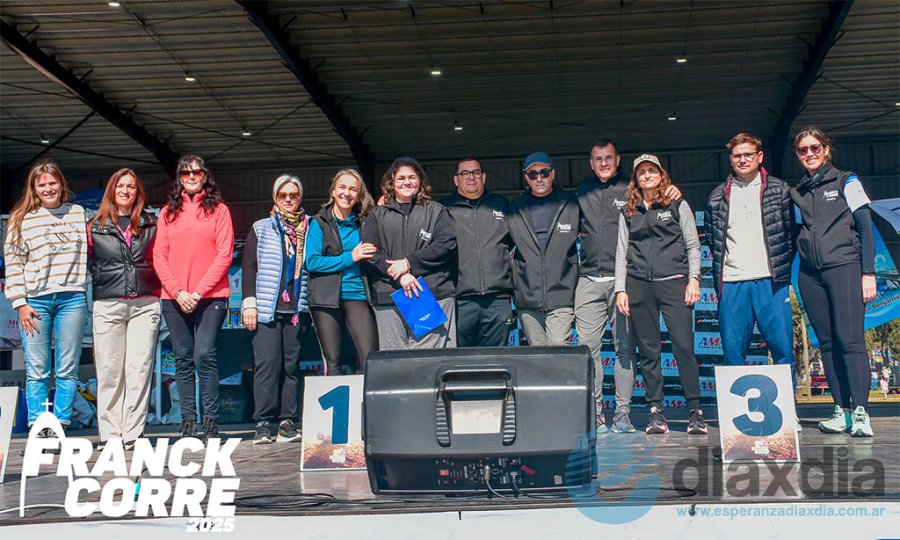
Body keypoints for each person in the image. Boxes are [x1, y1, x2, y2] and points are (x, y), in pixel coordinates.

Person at [576, 139, 681, 433]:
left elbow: (660, 196)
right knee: (588, 350)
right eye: (598, 159)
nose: (604, 163)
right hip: (588, 281)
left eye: (608, 158)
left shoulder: (632, 190)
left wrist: (673, 192)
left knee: (624, 349)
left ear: (618, 160)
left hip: (623, 281)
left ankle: (622, 410)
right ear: (591, 162)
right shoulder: (582, 191)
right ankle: (594, 411)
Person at [791, 127, 877, 437]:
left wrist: (868, 273)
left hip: (844, 268)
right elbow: (793, 235)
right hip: (809, 275)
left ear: (827, 150)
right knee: (826, 344)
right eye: (803, 149)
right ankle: (841, 410)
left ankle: (862, 413)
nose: (809, 153)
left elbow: (866, 228)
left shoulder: (847, 181)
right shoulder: (797, 191)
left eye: (815, 147)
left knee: (850, 341)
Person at [614, 154, 705, 435]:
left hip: (674, 283)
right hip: (639, 285)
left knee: (683, 347)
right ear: (636, 179)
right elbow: (621, 253)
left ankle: (695, 412)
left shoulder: (678, 203)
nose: (647, 175)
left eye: (652, 170)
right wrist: (620, 288)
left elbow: (692, 244)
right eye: (641, 172)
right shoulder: (628, 210)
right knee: (649, 352)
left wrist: (694, 279)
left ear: (661, 174)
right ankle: (656, 412)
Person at [3, 161, 88, 435]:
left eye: (53, 183)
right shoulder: (20, 219)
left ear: (61, 184)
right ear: (34, 188)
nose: (48, 188)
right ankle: (39, 424)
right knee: (37, 368)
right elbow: (13, 264)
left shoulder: (78, 214)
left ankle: (60, 422)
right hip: (35, 302)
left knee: (67, 366)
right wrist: (20, 303)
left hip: (72, 299)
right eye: (42, 185)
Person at [154, 154, 234, 441]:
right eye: (185, 173)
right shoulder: (167, 213)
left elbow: (225, 254)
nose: (190, 177)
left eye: (196, 173)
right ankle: (188, 421)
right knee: (183, 358)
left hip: (211, 296)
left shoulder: (219, 211)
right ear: (179, 177)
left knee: (204, 355)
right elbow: (159, 256)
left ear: (204, 176)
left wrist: (198, 291)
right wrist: (178, 291)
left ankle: (211, 421)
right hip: (174, 298)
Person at [705, 133, 794, 377]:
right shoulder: (716, 197)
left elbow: (791, 235)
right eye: (737, 155)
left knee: (783, 350)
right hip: (733, 282)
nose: (743, 160)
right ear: (731, 159)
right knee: (733, 353)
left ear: (759, 156)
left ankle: (789, 413)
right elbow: (713, 240)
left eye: (748, 154)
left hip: (771, 281)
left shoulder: (780, 190)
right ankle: (736, 412)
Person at [88, 168, 161, 448]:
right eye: (120, 186)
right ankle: (109, 434)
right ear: (112, 190)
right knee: (109, 370)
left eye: (131, 186)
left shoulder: (151, 223)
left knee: (139, 369)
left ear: (137, 192)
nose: (126, 191)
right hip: (108, 304)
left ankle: (133, 433)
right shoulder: (94, 225)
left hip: (145, 303)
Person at [360, 156, 458, 349]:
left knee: (428, 364)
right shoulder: (376, 215)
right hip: (389, 297)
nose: (407, 182)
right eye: (401, 178)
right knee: (396, 366)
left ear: (420, 180)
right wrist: (401, 276)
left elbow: (446, 245)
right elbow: (370, 253)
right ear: (392, 183)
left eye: (412, 177)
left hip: (429, 296)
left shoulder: (436, 211)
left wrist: (409, 263)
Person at [242, 174, 310, 445]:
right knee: (267, 365)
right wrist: (250, 303)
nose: (289, 200)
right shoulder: (261, 227)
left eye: (293, 195)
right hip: (267, 307)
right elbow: (249, 267)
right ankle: (262, 422)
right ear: (275, 198)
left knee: (291, 366)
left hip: (296, 307)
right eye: (283, 196)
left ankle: (287, 421)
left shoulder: (309, 227)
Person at [305, 169, 379, 376]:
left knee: (369, 358)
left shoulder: (365, 223)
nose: (347, 193)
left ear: (358, 195)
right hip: (325, 299)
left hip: (357, 295)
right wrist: (350, 257)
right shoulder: (318, 223)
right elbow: (311, 262)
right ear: (333, 191)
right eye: (342, 187)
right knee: (333, 361)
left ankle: (364, 406)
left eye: (353, 189)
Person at [507, 151, 579, 346]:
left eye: (544, 173)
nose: (539, 178)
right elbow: (499, 247)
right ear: (526, 178)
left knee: (557, 347)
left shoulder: (572, 203)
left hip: (562, 294)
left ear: (553, 174)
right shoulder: (514, 208)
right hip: (528, 298)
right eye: (533, 174)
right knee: (538, 356)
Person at [441, 158, 514, 347]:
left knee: (495, 362)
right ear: (456, 179)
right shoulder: (443, 209)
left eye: (475, 173)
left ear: (484, 177)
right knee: (460, 363)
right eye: (465, 173)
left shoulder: (501, 204)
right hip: (460, 300)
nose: (471, 177)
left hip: (498, 299)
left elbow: (515, 242)